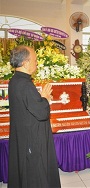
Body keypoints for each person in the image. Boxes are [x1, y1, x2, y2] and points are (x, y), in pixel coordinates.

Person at [8, 45, 61, 187]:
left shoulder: (15, 81)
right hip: (31, 140)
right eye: (35, 60)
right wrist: (44, 98)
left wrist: (41, 98)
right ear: (25, 63)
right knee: (35, 173)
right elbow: (42, 113)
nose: (37, 63)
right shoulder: (25, 84)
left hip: (24, 135)